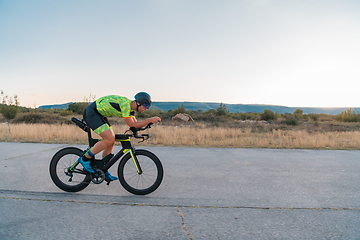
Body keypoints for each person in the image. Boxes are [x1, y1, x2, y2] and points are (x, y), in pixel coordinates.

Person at [78, 92, 161, 182]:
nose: (146, 108)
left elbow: (134, 126)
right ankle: (85, 159)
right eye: (145, 105)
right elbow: (132, 124)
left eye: (148, 107)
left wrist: (147, 125)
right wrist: (149, 120)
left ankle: (103, 169)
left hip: (100, 115)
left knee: (111, 141)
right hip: (92, 113)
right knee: (109, 138)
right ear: (138, 103)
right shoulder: (125, 105)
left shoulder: (130, 110)